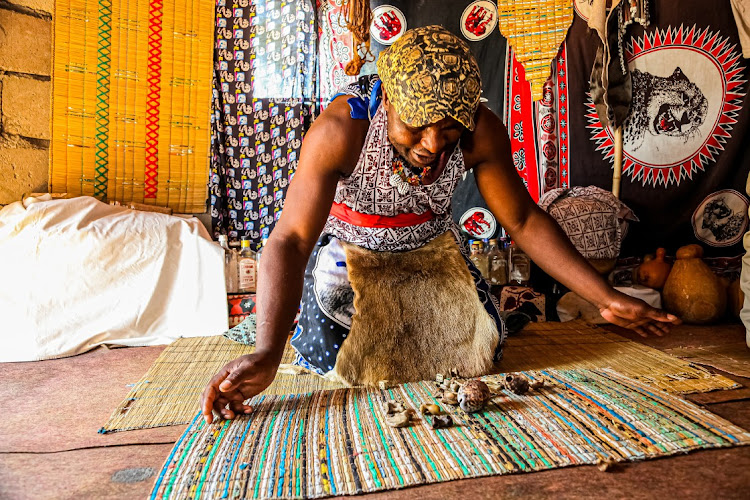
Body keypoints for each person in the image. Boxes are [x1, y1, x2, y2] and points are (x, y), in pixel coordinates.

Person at [201, 25, 680, 424]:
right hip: (349, 256)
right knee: (335, 357)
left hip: (430, 253)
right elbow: (290, 238)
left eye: (450, 125)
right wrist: (267, 352)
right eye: (418, 124)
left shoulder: (480, 132)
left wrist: (606, 296)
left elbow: (523, 218)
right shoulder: (341, 131)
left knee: (481, 353)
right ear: (386, 98)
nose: (433, 143)